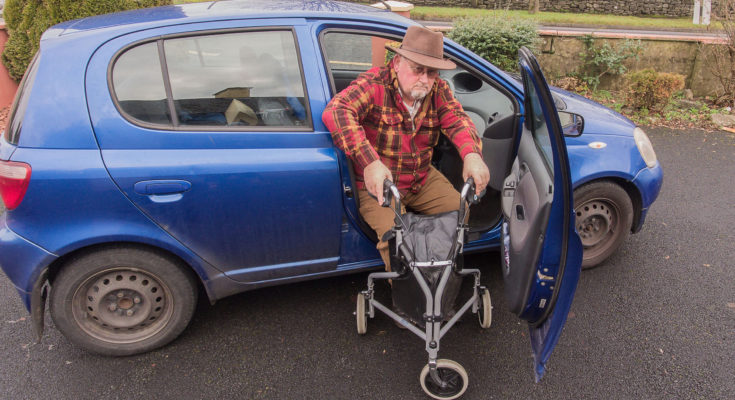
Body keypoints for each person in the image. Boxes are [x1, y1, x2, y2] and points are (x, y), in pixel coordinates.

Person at [322, 26, 490, 270]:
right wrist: (370, 162)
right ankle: (409, 297)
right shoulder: (374, 85)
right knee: (397, 243)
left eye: (431, 72)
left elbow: (457, 119)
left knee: (458, 210)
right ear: (398, 62)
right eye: (417, 69)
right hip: (380, 186)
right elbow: (337, 111)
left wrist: (472, 154)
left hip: (420, 177)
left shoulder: (438, 90)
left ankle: (442, 275)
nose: (424, 79)